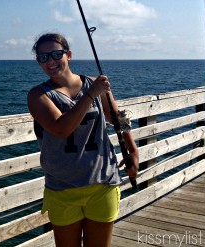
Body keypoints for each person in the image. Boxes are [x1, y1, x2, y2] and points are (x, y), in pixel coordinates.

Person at [27, 33, 139, 247]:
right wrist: (90, 94)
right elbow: (61, 128)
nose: (50, 61)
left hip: (103, 183)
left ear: (68, 55)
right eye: (43, 58)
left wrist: (132, 150)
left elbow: (117, 118)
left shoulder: (94, 84)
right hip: (62, 188)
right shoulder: (37, 95)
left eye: (56, 54)